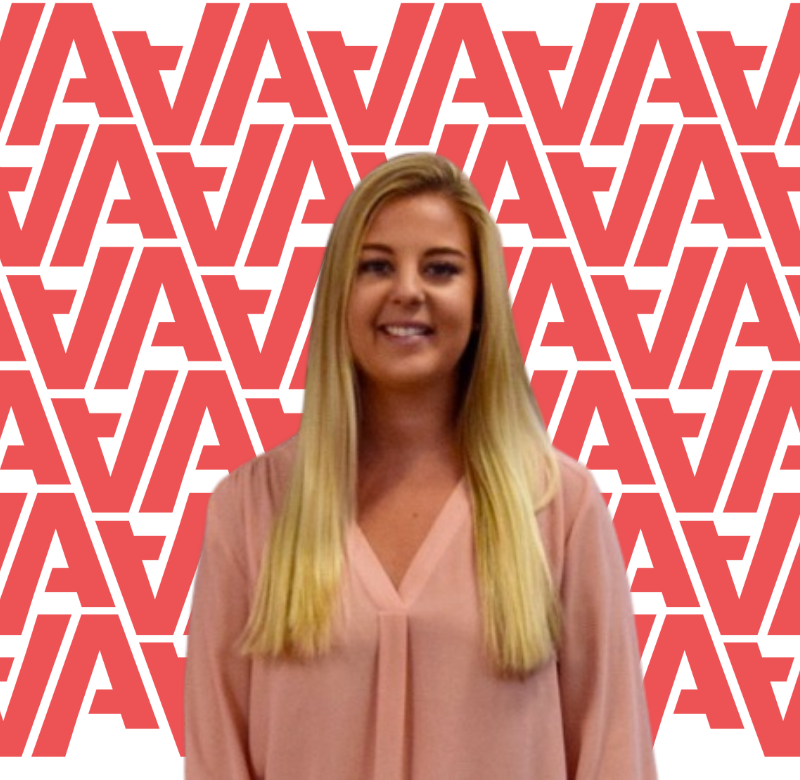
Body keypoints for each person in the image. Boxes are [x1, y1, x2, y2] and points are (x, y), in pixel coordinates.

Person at [184, 153, 658, 780]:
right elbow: (215, 759)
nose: (407, 290)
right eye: (376, 265)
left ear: (481, 301)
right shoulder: (249, 510)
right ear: (338, 296)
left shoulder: (560, 507)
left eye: (440, 268)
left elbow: (614, 755)